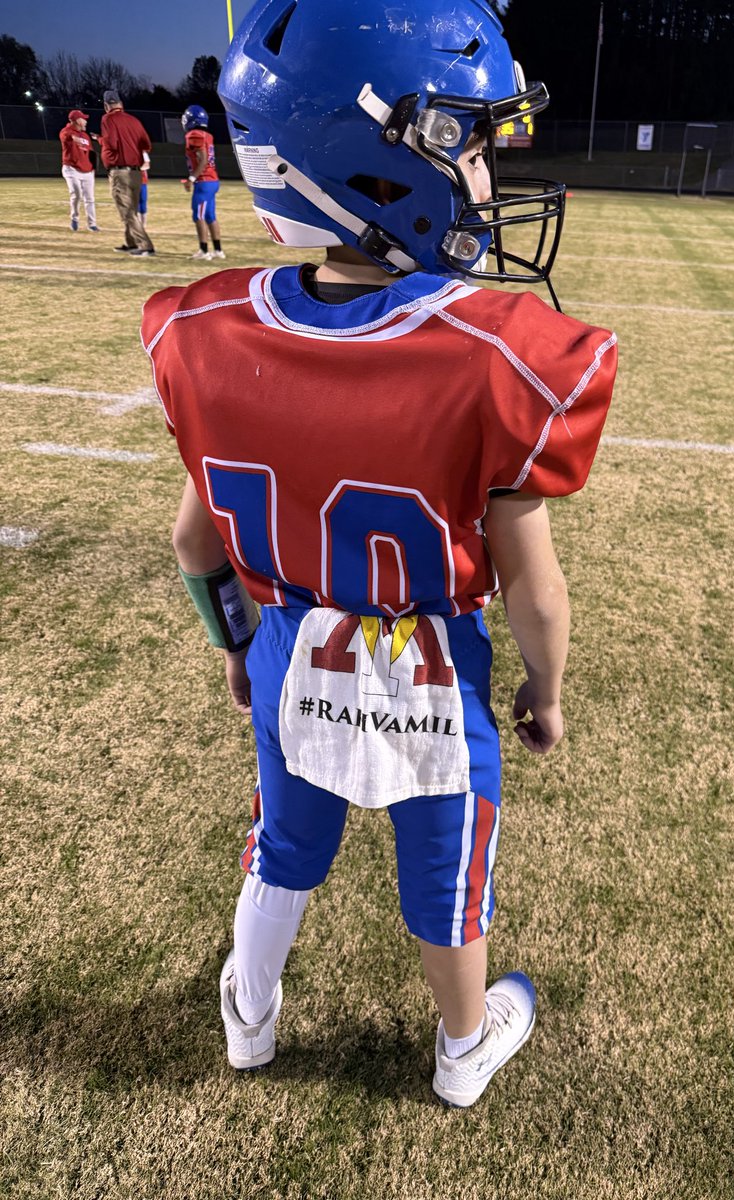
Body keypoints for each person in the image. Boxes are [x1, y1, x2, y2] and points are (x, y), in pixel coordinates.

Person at [141, 0, 617, 1108]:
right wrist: (547, 692)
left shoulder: (209, 334)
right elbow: (535, 593)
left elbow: (190, 540)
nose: (489, 181)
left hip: (289, 648)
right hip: (433, 667)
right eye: (468, 144)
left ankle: (249, 1019)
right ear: (374, 160)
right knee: (447, 872)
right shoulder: (490, 357)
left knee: (282, 842)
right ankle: (461, 1046)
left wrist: (232, 643)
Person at [100, 89, 155, 257]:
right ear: (121, 104)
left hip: (120, 172)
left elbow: (112, 143)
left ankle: (145, 245)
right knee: (132, 210)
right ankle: (131, 243)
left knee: (127, 212)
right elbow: (146, 144)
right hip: (137, 174)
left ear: (106, 106)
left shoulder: (108, 119)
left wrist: (104, 148)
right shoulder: (134, 120)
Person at [181, 105, 225, 261]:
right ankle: (218, 250)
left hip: (204, 181)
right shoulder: (207, 135)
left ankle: (204, 251)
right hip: (213, 180)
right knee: (210, 216)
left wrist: (191, 179)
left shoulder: (194, 135)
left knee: (198, 215)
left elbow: (203, 160)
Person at [59, 109, 99, 232]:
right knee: (77, 194)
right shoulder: (66, 131)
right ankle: (74, 219)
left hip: (87, 170)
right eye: (84, 119)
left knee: (90, 198)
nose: (86, 121)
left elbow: (90, 152)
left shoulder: (86, 136)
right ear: (77, 120)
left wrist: (92, 167)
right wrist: (73, 136)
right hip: (71, 169)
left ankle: (92, 224)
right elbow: (65, 137)